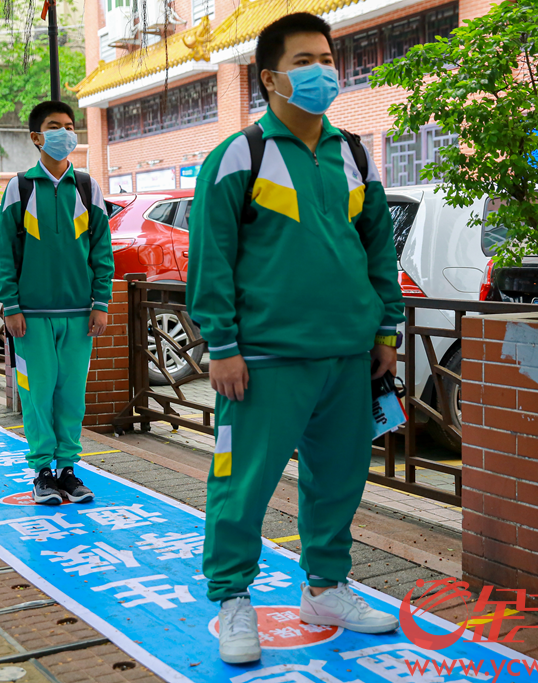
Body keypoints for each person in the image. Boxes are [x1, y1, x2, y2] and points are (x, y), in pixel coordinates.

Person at [188, 13, 404, 664]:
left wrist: (386, 327)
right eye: (305, 60)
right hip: (264, 359)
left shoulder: (355, 155)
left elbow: (377, 250)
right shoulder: (238, 157)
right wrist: (222, 345)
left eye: (326, 57)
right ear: (271, 77)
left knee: (338, 479)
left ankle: (326, 586)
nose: (322, 71)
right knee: (242, 483)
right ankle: (232, 599)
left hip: (346, 354)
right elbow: (211, 260)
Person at [0, 100, 113, 506]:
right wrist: (10, 305)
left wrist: (101, 301)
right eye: (54, 126)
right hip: (32, 317)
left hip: (80, 315)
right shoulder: (20, 187)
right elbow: (5, 253)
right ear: (36, 137)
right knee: (37, 393)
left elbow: (102, 249)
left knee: (71, 395)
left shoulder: (87, 186)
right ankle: (42, 472)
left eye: (68, 125)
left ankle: (68, 470)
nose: (64, 133)